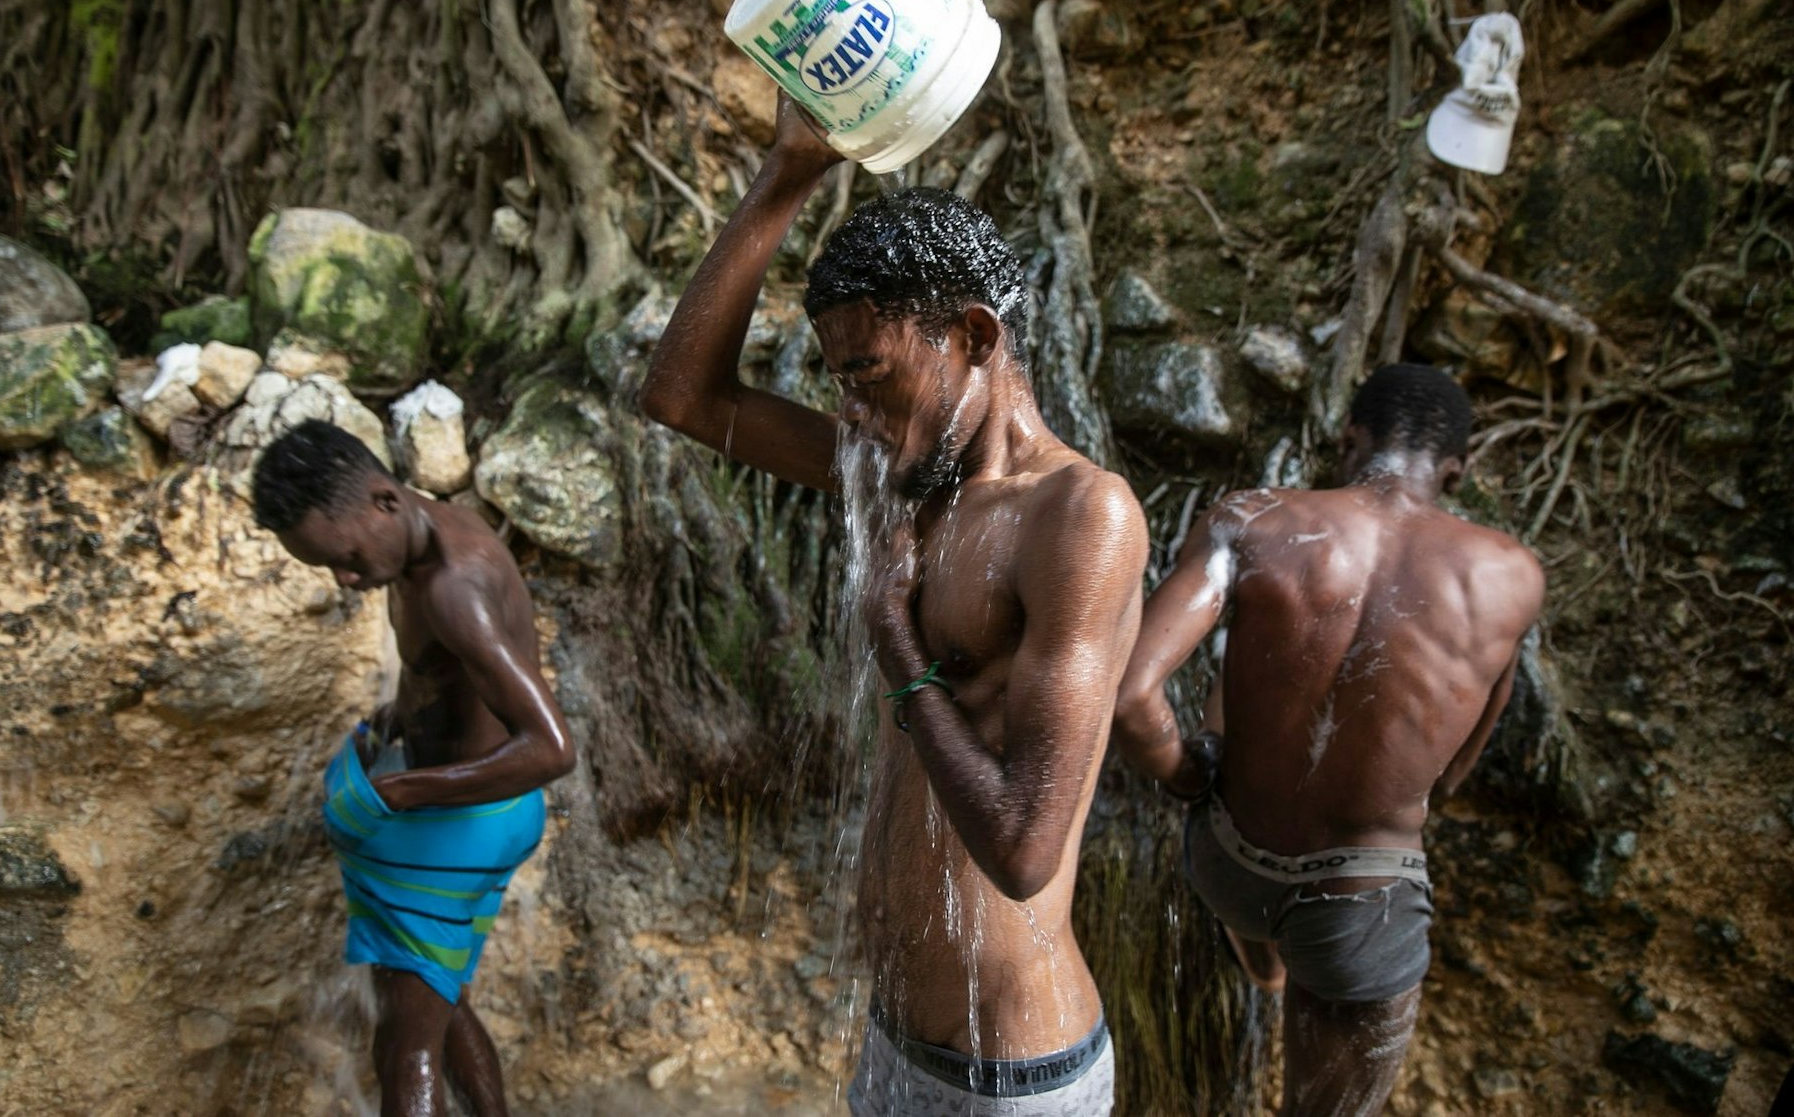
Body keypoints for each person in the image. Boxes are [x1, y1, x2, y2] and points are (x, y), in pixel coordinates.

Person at [641, 99, 1147, 1115]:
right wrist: (787, 174)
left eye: (868, 373)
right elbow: (682, 398)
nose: (850, 413)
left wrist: (894, 642)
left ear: (970, 334)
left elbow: (1021, 849)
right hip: (899, 1048)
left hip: (1010, 1078)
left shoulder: (1078, 515)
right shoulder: (908, 479)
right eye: (837, 382)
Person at [1112, 363, 1545, 1116]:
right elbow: (1461, 757)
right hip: (1359, 900)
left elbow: (1130, 696)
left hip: (1228, 860)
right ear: (1455, 470)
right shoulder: (1511, 574)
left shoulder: (1247, 521)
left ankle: (1270, 970)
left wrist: (1186, 774)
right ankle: (1300, 974)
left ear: (1351, 440)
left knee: (1246, 671)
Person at [251, 419, 577, 1117]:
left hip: (462, 824)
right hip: (470, 817)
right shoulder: (418, 539)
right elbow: (444, 670)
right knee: (439, 1003)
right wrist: (402, 715)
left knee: (405, 1048)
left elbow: (552, 748)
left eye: (342, 557)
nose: (343, 578)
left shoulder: (454, 586)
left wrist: (400, 789)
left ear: (382, 501)